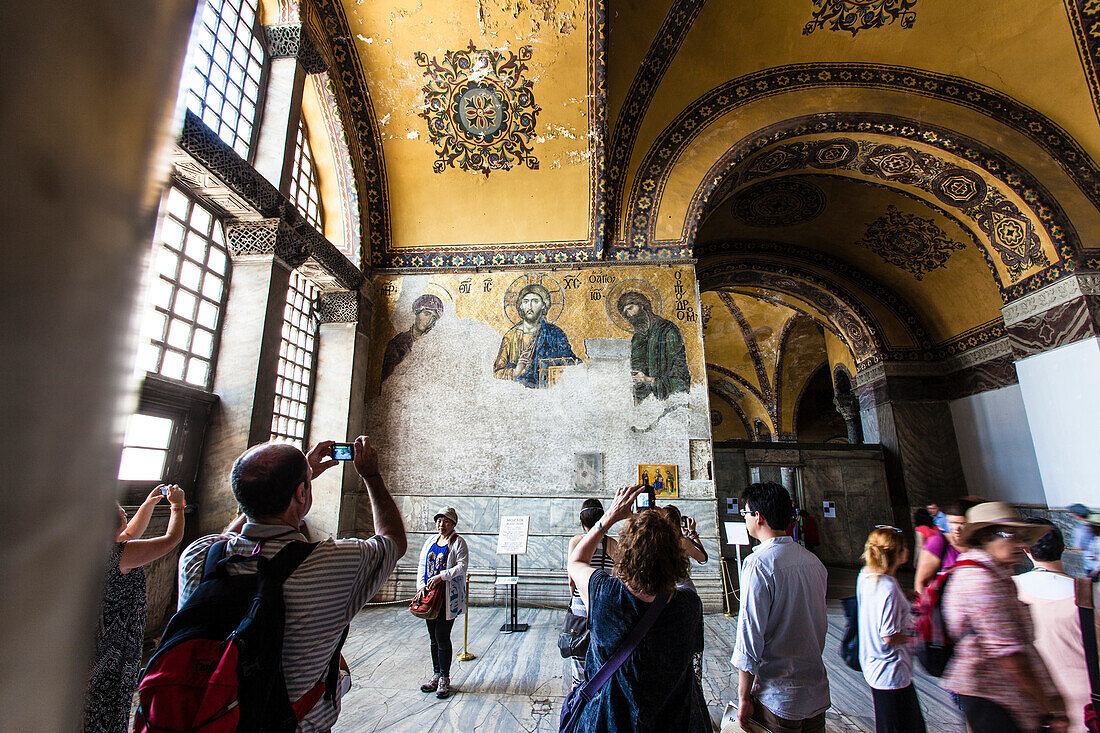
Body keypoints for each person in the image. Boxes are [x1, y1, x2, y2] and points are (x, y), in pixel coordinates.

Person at [176, 437, 406, 732]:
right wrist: (371, 476)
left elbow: (231, 538)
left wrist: (302, 474)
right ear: (301, 493)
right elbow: (393, 541)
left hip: (202, 716)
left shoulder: (198, 555)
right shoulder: (333, 564)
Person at [566, 484, 709, 732]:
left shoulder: (605, 596)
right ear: (676, 558)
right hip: (671, 722)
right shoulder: (689, 606)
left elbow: (576, 561)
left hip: (608, 720)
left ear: (626, 554)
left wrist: (608, 518)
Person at [941, 502, 1067, 733]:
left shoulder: (994, 572)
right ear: (985, 537)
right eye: (1009, 535)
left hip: (1006, 695)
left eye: (1022, 536)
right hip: (996, 696)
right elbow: (1010, 656)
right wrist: (1050, 708)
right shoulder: (981, 581)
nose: (1020, 544)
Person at [82, 485, 187, 733]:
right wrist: (177, 507)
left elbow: (129, 533)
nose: (123, 511)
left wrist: (149, 502)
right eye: (119, 509)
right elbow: (171, 540)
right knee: (108, 695)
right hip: (114, 642)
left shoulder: (100, 548)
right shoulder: (120, 555)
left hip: (100, 634)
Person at [733, 482, 829, 733]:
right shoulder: (813, 562)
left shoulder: (758, 564)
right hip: (815, 691)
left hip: (777, 695)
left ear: (758, 517)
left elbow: (749, 636)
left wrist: (744, 697)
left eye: (745, 513)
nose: (745, 519)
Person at [1014, 518, 1100, 733]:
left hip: (1038, 699)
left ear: (1026, 550)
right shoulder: (1088, 593)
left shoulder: (1009, 589)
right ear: (1063, 547)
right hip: (1088, 704)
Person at [856, 526, 926, 733]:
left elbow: (876, 604)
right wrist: (915, 637)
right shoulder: (888, 586)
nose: (908, 550)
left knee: (900, 723)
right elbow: (888, 635)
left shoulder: (866, 575)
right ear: (897, 553)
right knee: (898, 726)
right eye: (905, 547)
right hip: (890, 670)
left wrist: (904, 596)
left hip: (873, 663)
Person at [566, 498, 620, 690]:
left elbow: (572, 577)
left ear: (582, 521)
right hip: (604, 601)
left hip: (581, 601)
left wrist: (574, 597)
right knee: (601, 649)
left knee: (579, 650)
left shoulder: (577, 541)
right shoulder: (612, 543)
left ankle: (579, 691)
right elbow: (618, 573)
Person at [417, 506, 469, 700]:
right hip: (429, 597)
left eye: (446, 521)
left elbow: (462, 566)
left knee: (442, 635)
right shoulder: (431, 541)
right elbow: (422, 565)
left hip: (447, 596)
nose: (442, 525)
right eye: (439, 521)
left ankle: (444, 678)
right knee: (433, 637)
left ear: (453, 524)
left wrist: (441, 577)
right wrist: (421, 585)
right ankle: (436, 674)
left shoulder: (458, 542)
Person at [493, 282, 578, 388]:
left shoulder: (555, 334)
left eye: (535, 301)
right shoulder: (510, 337)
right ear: (521, 306)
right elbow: (497, 373)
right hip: (518, 393)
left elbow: (572, 364)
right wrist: (515, 372)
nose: (529, 306)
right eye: (526, 301)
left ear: (543, 305)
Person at [659, 504, 707, 686]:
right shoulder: (683, 542)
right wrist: (693, 534)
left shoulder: (657, 541)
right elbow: (703, 558)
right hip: (685, 594)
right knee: (688, 645)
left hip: (663, 594)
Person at [616, 291, 690, 402]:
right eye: (626, 313)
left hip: (671, 401)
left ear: (642, 305)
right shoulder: (637, 338)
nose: (630, 315)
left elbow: (682, 381)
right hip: (646, 403)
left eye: (630, 308)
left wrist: (650, 380)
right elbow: (637, 370)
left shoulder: (668, 331)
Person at [379, 293, 443, 387]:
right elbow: (386, 380)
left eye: (433, 318)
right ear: (417, 312)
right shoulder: (398, 343)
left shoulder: (433, 345)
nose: (428, 321)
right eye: (426, 314)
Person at [914, 500, 971, 594]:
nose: (956, 528)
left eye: (962, 524)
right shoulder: (939, 542)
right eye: (952, 522)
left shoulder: (978, 544)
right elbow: (920, 584)